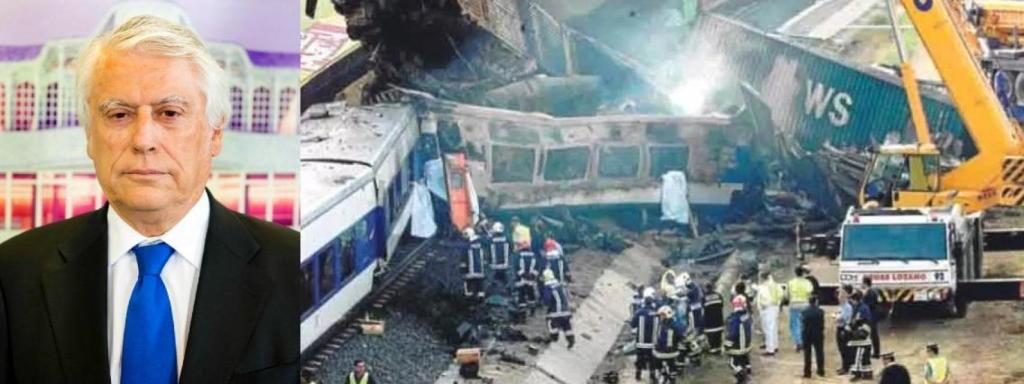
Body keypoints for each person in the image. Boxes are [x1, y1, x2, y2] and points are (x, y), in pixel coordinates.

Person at [0, 16, 299, 383]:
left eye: (169, 113)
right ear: (89, 136)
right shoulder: (13, 275)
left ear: (215, 134)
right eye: (119, 114)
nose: (144, 140)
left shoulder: (291, 267)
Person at [540, 269, 575, 349]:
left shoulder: (548, 287)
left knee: (550, 321)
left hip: (556, 312)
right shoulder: (560, 285)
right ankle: (571, 339)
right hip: (566, 311)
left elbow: (547, 300)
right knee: (566, 325)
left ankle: (554, 337)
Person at [631, 287, 659, 381]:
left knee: (639, 358)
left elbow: (633, 324)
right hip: (652, 343)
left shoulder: (639, 312)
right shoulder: (656, 313)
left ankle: (638, 375)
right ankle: (652, 376)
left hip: (641, 342)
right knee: (652, 360)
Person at [725, 295, 753, 384]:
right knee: (744, 360)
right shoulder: (747, 316)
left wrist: (727, 345)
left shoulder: (735, 319)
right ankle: (748, 371)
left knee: (732, 363)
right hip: (746, 345)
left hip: (738, 347)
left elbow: (732, 334)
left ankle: (743, 377)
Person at [754, 270, 783, 356]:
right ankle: (775, 345)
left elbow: (764, 297)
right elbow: (781, 294)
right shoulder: (775, 285)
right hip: (775, 307)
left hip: (767, 308)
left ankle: (770, 349)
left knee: (768, 329)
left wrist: (763, 305)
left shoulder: (765, 287)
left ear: (763, 278)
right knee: (774, 328)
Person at [786, 266, 814, 352]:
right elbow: (810, 294)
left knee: (794, 325)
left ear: (795, 273)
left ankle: (798, 342)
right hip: (805, 304)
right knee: (804, 324)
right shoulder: (807, 283)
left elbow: (787, 295)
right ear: (803, 273)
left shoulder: (790, 283)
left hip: (794, 304)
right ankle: (805, 341)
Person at [653, 305, 685, 382]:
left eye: (662, 315)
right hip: (672, 352)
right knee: (671, 367)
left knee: (658, 366)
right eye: (660, 315)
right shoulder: (675, 324)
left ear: (667, 314)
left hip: (664, 352)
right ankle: (671, 377)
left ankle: (662, 375)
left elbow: (659, 338)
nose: (661, 317)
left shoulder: (662, 325)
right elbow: (681, 336)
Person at [801, 295, 826, 378]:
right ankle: (821, 371)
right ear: (816, 302)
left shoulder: (804, 312)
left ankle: (807, 372)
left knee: (807, 354)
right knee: (819, 352)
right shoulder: (821, 311)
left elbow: (802, 323)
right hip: (818, 334)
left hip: (807, 334)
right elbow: (822, 324)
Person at [512, 245, 540, 316]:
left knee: (521, 295)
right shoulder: (534, 256)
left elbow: (516, 267)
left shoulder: (518, 256)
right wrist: (532, 276)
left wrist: (523, 275)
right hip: (531, 279)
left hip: (520, 280)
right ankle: (532, 310)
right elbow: (537, 267)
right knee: (531, 294)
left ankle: (522, 314)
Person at [835, 284, 855, 375]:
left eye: (840, 296)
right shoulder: (842, 306)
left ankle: (846, 367)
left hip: (844, 329)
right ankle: (844, 366)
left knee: (844, 349)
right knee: (841, 348)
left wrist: (837, 317)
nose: (838, 298)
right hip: (840, 327)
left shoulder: (847, 307)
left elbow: (843, 318)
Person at [461, 228, 487, 299]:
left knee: (469, 288)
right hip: (480, 271)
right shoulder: (481, 245)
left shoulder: (466, 246)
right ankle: (481, 297)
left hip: (469, 272)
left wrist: (462, 270)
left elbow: (463, 260)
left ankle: (469, 297)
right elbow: (485, 257)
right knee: (480, 287)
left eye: (466, 235)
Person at [862, 276, 883, 358]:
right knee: (873, 334)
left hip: (872, 315)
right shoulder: (872, 291)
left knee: (873, 334)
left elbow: (870, 304)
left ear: (865, 283)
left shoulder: (870, 292)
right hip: (873, 315)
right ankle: (875, 352)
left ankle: (876, 353)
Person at [703, 283, 726, 355]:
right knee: (718, 336)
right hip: (719, 320)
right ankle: (718, 349)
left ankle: (713, 350)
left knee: (711, 337)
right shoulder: (718, 295)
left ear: (706, 288)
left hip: (709, 322)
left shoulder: (704, 297)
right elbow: (722, 305)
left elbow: (702, 309)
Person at [488, 222, 511, 287]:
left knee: (494, 283)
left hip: (494, 266)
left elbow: (488, 252)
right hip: (505, 265)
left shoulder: (490, 240)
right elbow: (511, 250)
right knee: (506, 282)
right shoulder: (507, 239)